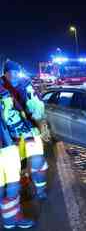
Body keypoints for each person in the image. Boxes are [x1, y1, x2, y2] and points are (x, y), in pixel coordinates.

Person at [1, 61, 48, 200]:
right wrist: (40, 122)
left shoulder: (24, 85)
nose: (13, 75)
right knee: (17, 168)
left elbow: (37, 106)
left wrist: (40, 122)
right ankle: (28, 190)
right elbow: (37, 108)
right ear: (5, 73)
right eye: (11, 72)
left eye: (16, 72)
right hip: (14, 135)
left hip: (20, 134)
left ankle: (38, 190)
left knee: (36, 161)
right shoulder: (22, 84)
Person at [0, 85, 35, 229]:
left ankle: (10, 218)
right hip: (6, 144)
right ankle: (10, 218)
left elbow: (12, 114)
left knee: (8, 183)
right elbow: (13, 116)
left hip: (6, 144)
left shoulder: (3, 92)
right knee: (8, 183)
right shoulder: (3, 92)